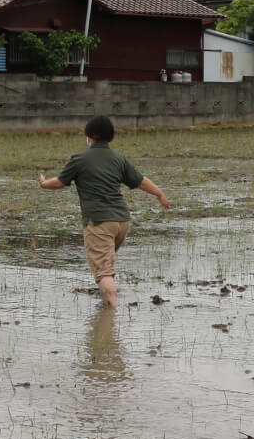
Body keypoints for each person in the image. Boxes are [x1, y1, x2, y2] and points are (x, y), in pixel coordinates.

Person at [36, 115, 169, 308]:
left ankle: (110, 319)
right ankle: (107, 301)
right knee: (106, 265)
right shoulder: (118, 159)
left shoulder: (79, 159)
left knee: (104, 272)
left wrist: (43, 183)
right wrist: (159, 194)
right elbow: (140, 181)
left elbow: (59, 182)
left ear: (89, 136)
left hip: (99, 222)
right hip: (122, 221)